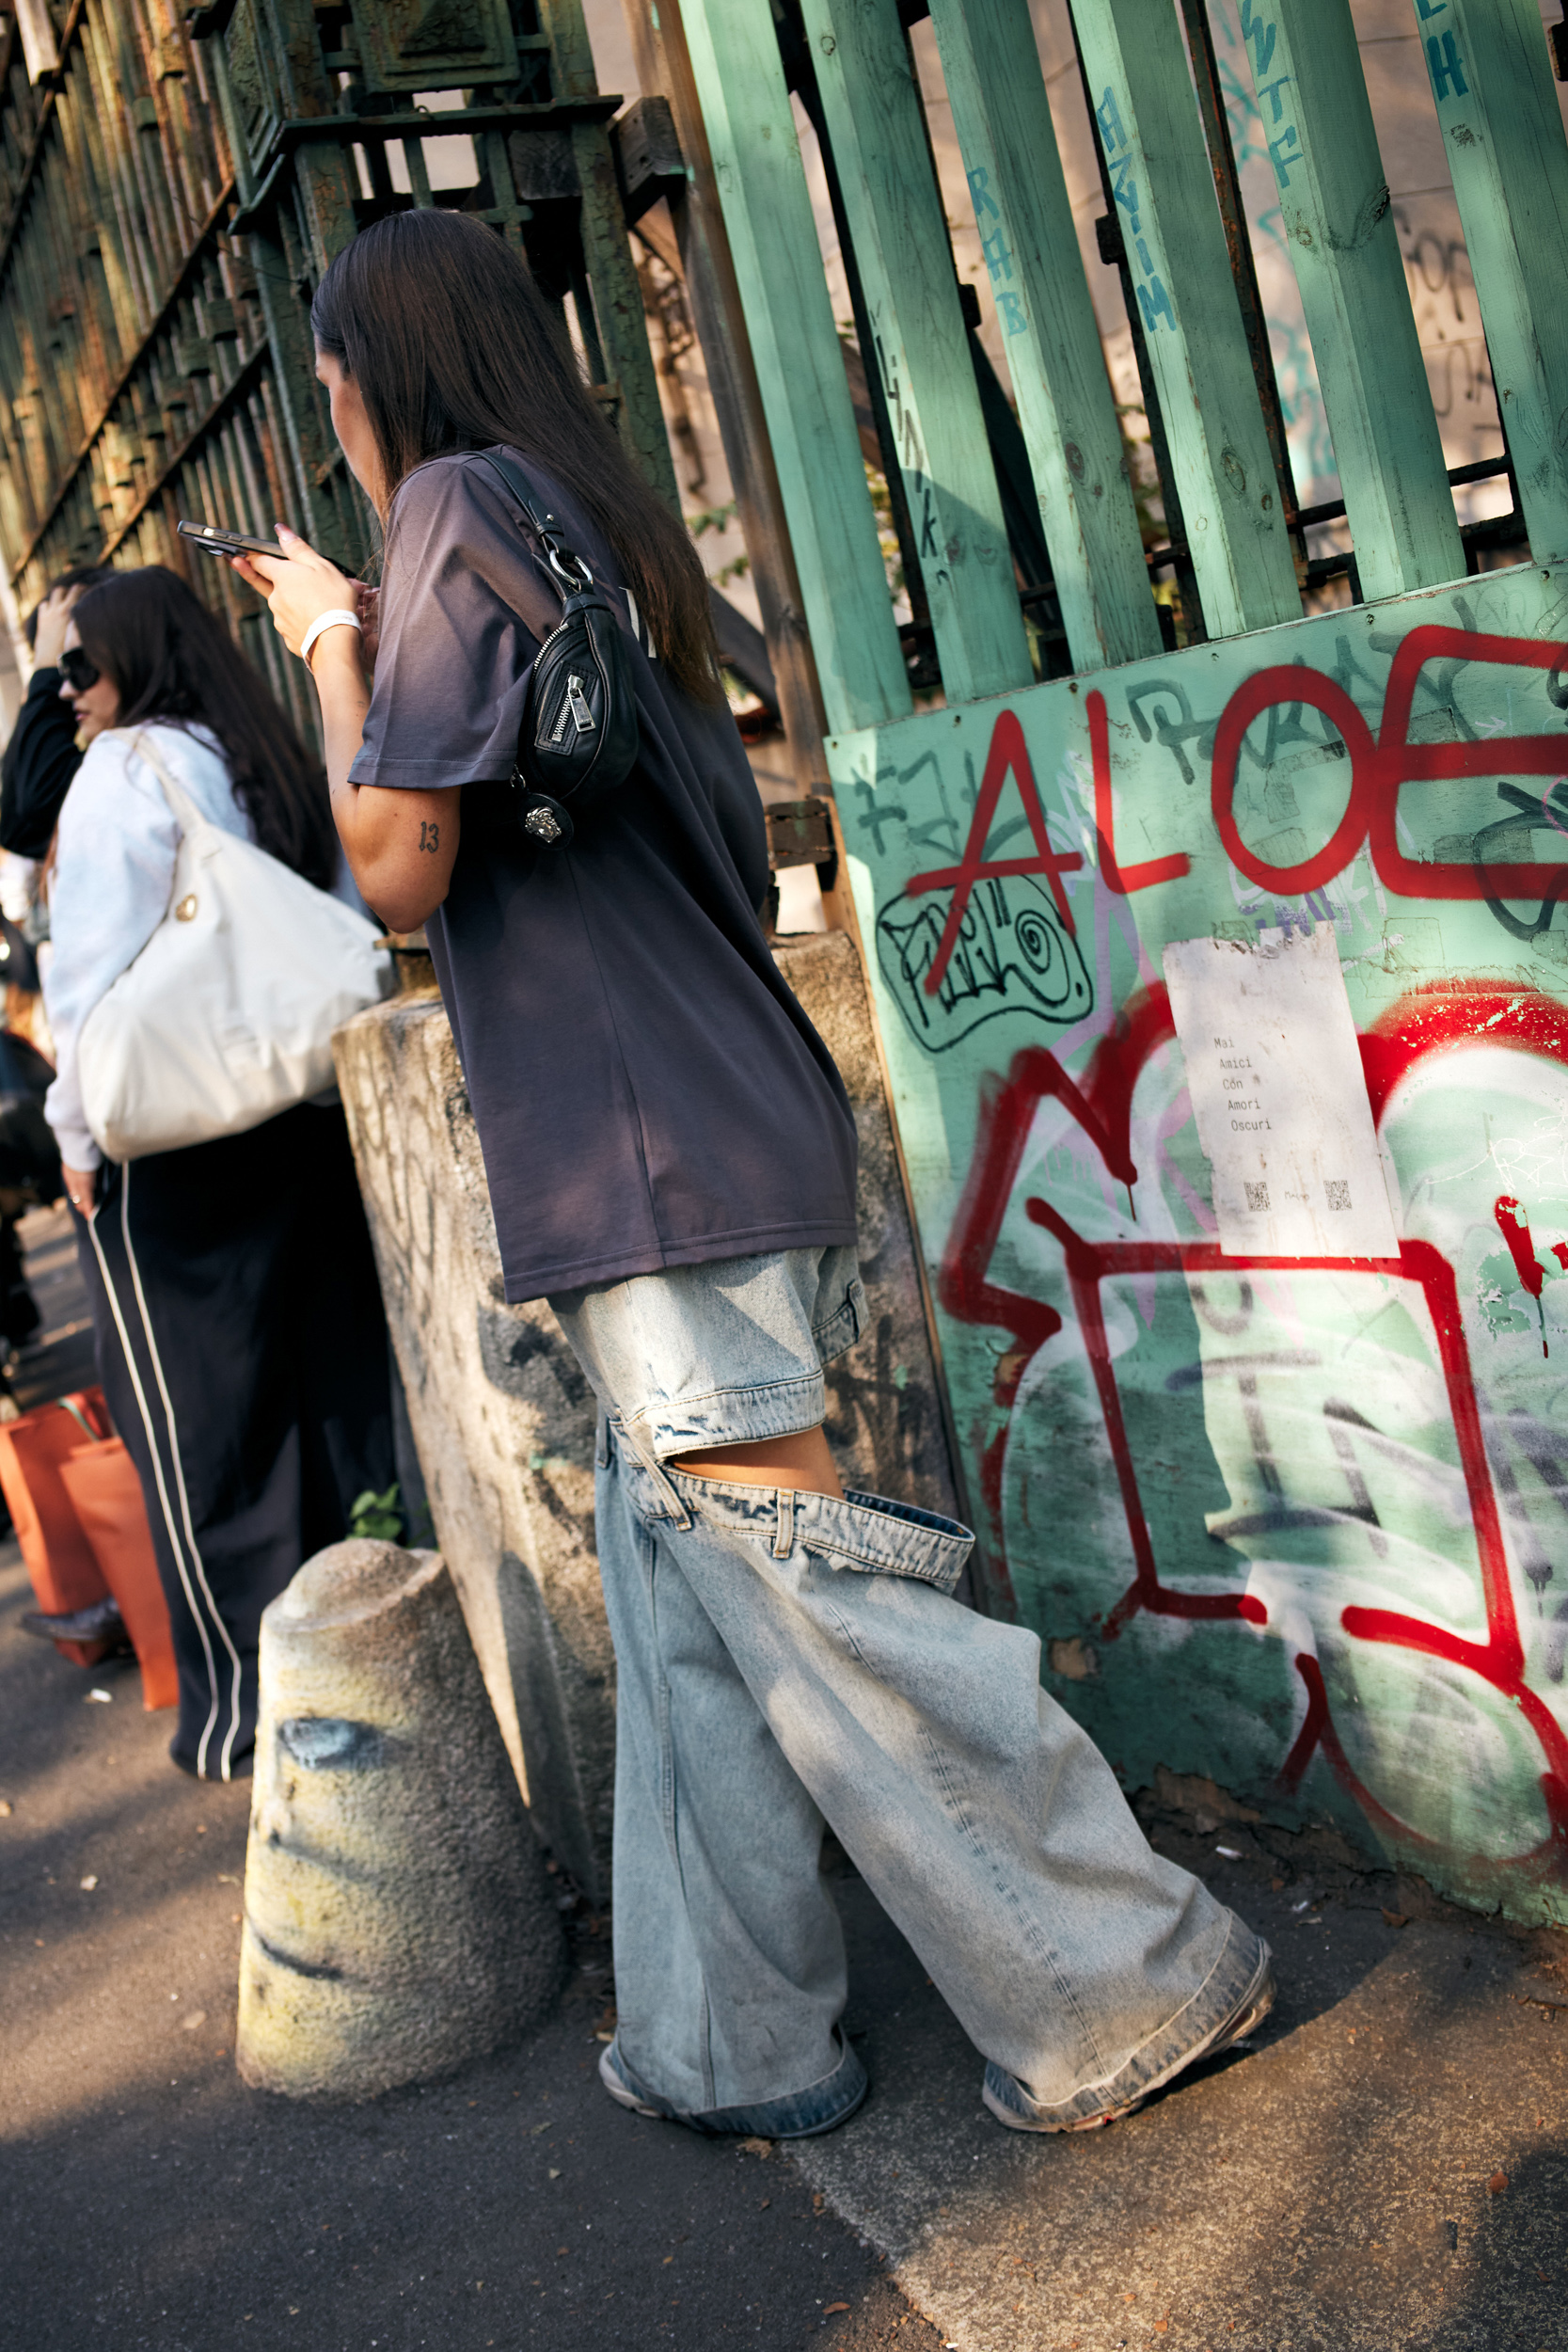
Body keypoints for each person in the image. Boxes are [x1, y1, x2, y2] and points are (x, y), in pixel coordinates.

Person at [239, 208, 1273, 2137]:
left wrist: (320, 636)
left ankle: (1128, 1978)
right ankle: (730, 2039)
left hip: (647, 1152)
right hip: (697, 1124)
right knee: (692, 1600)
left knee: (805, 1587)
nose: (334, 422)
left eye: (331, 388)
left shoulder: (454, 506)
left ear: (384, 377)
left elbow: (396, 865)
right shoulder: (578, 520)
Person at [42, 567, 395, 1780]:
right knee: (332, 1393)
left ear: (133, 660)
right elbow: (340, 910)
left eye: (79, 667)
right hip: (298, 1110)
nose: (68, 695)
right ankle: (386, 1642)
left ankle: (254, 1707)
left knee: (200, 1436)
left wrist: (75, 1142)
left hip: (175, 1147)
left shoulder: (118, 777)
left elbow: (85, 986)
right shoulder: (265, 750)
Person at [0, 565, 116, 858]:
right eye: (57, 670)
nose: (64, 690)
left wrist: (45, 672)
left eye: (75, 664)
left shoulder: (144, 752)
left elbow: (40, 799)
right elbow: (17, 828)